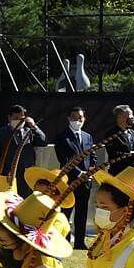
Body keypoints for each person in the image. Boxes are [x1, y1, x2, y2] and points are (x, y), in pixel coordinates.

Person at [53, 107, 96, 250]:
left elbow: (92, 156)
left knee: (82, 212)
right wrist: (78, 173)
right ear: (68, 118)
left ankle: (79, 242)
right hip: (70, 180)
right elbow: (64, 159)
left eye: (81, 117)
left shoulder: (87, 136)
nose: (78, 120)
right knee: (66, 211)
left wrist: (91, 171)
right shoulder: (61, 137)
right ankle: (65, 240)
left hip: (86, 181)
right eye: (75, 117)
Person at [0, 106, 42, 195]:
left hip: (26, 175)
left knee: (24, 202)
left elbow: (43, 141)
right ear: (9, 118)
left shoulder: (29, 132)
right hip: (7, 175)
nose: (19, 121)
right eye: (16, 118)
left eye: (21, 118)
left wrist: (34, 126)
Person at [110, 104, 134, 170]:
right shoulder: (111, 134)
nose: (132, 117)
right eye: (129, 114)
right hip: (119, 172)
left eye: (132, 114)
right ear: (120, 117)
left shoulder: (133, 133)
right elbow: (114, 154)